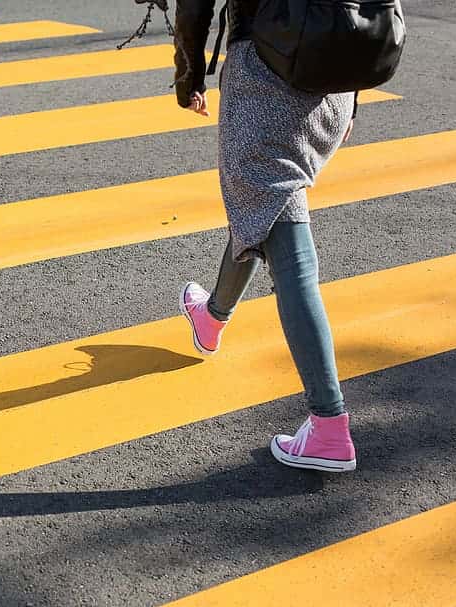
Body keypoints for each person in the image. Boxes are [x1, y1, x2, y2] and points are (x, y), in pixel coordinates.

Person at [143, 0, 358, 472]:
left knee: (286, 239)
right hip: (334, 78)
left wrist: (189, 77)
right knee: (264, 201)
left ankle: (328, 423)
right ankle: (212, 317)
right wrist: (352, 95)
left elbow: (196, 4)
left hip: (268, 73)